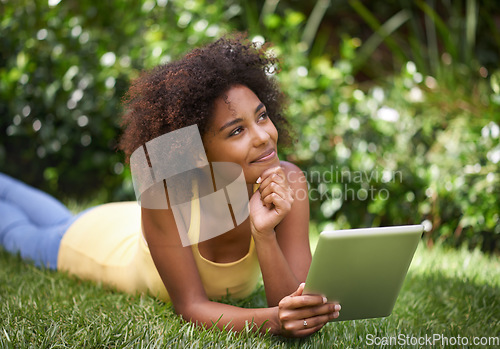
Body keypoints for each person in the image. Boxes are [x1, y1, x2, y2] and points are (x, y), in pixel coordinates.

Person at [0, 34, 341, 337]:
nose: (263, 137)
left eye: (262, 116)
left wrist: (264, 235)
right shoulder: (163, 189)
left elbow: (296, 305)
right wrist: (273, 321)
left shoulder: (288, 180)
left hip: (127, 221)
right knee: (15, 230)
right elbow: (191, 306)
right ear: (197, 151)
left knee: (35, 205)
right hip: (87, 244)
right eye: (236, 130)